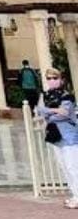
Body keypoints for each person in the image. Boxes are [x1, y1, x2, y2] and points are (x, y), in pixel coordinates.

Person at [38, 68, 78, 208]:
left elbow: (65, 113)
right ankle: (75, 195)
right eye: (49, 78)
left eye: (55, 78)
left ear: (61, 79)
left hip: (69, 135)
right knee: (64, 168)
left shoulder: (67, 96)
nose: (52, 81)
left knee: (73, 166)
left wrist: (50, 114)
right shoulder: (45, 95)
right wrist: (54, 110)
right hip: (56, 136)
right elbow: (40, 110)